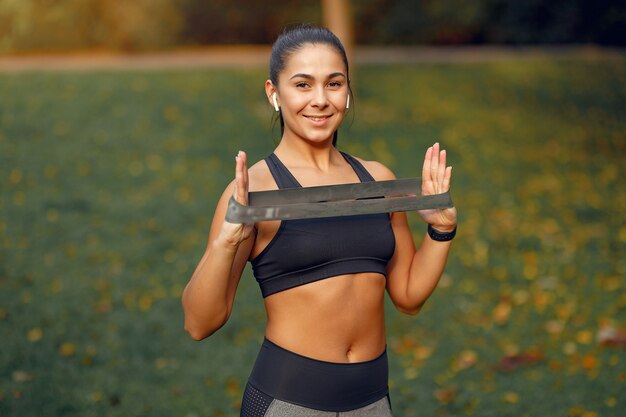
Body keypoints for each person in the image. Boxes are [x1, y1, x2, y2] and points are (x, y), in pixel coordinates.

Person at [182, 24, 457, 417]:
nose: (321, 100)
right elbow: (199, 322)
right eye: (302, 84)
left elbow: (408, 297)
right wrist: (223, 246)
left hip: (373, 403)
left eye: (334, 83)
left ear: (347, 90)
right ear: (274, 94)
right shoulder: (253, 190)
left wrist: (441, 230)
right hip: (289, 403)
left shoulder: (378, 180)